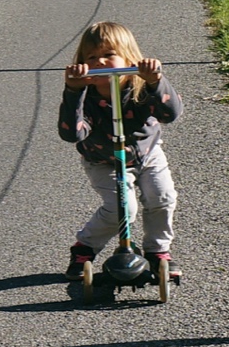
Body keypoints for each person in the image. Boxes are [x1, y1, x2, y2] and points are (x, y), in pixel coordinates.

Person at [58, 21, 182, 283]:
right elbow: (72, 133)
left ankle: (158, 250)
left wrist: (155, 81)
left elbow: (170, 114)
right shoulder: (87, 95)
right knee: (122, 209)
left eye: (108, 54)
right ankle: (85, 247)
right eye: (92, 57)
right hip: (103, 161)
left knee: (162, 197)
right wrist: (73, 90)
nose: (100, 61)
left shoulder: (140, 87)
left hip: (147, 154)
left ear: (129, 58)